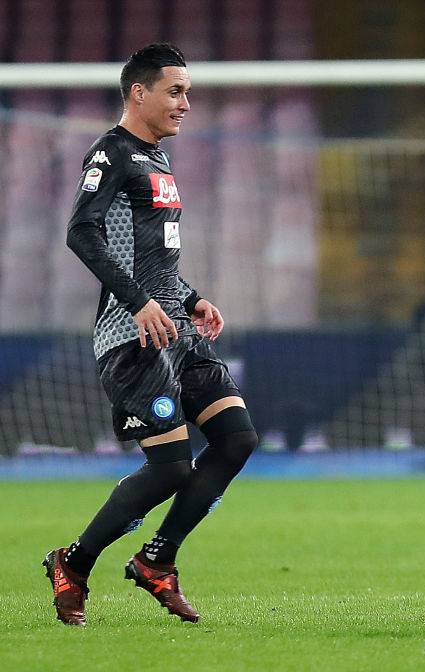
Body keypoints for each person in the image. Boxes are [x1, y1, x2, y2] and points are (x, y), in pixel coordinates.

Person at [43, 43, 259, 626]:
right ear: (138, 92)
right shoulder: (110, 155)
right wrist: (139, 303)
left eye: (188, 91)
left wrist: (190, 298)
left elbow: (150, 256)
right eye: (175, 91)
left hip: (176, 329)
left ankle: (157, 560)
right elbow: (81, 233)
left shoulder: (157, 160)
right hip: (133, 336)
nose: (186, 103)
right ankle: (73, 561)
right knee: (170, 468)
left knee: (237, 439)